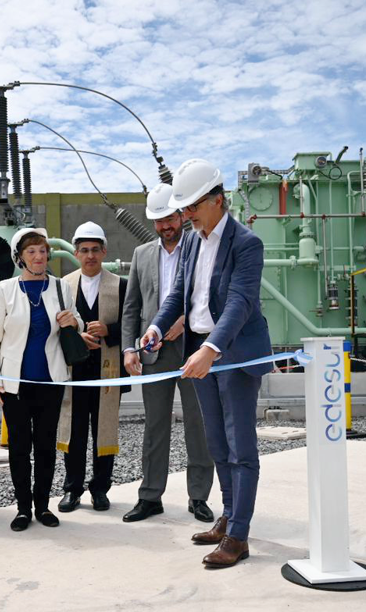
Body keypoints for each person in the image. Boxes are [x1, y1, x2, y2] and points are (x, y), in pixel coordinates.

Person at [141, 159, 272, 569]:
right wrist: (157, 328)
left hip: (229, 354)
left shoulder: (246, 243)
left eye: (192, 207)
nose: (186, 216)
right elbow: (180, 293)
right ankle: (228, 517)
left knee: (240, 447)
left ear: (218, 200)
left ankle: (239, 536)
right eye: (183, 209)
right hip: (199, 350)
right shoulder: (193, 241)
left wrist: (211, 349)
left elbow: (239, 303)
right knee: (217, 443)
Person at [122, 184, 214, 524]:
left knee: (198, 425)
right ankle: (149, 497)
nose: (165, 226)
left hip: (194, 351)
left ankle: (199, 497)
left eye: (170, 218)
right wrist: (130, 347)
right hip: (153, 356)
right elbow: (132, 307)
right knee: (155, 427)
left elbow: (209, 295)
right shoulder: (141, 254)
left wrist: (184, 320)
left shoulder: (201, 247)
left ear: (181, 215)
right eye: (158, 220)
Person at [0, 228, 83, 532]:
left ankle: (43, 506)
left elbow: (76, 324)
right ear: (19, 257)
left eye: (42, 251)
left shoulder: (61, 288)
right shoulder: (4, 290)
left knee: (45, 447)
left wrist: (73, 321)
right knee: (19, 449)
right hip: (14, 386)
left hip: (50, 383)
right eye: (31, 252)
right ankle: (23, 508)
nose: (39, 257)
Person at [56, 222, 128, 513]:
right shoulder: (62, 285)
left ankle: (100, 488)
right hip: (74, 371)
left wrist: (109, 330)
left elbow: (134, 324)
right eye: (84, 250)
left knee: (104, 431)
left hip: (106, 371)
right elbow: (54, 325)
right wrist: (78, 335)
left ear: (104, 251)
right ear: (75, 253)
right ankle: (72, 489)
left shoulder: (121, 285)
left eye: (95, 250)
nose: (89, 256)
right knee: (74, 431)